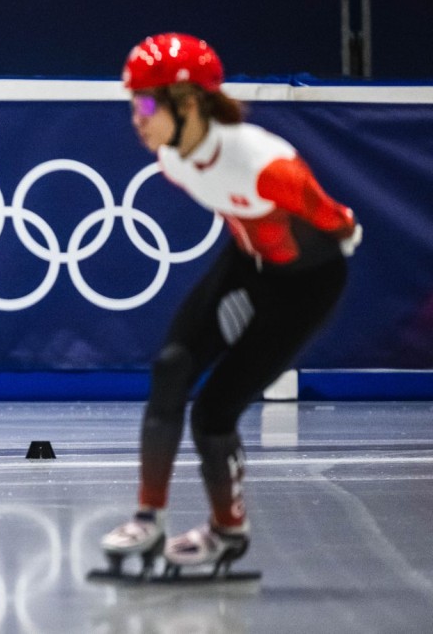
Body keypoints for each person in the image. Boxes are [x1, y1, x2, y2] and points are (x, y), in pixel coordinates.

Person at [101, 33, 362, 573]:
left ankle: (228, 531)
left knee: (214, 413)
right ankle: (148, 519)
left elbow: (339, 222)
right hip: (248, 264)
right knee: (172, 367)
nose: (136, 118)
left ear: (189, 102)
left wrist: (312, 242)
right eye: (133, 103)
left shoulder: (268, 165)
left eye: (146, 103)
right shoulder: (173, 159)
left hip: (306, 287)